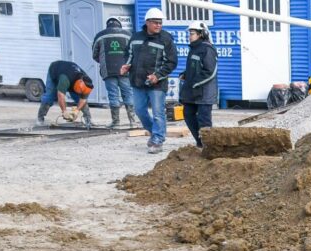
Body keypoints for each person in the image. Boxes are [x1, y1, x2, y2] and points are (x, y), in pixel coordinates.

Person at [123, 8, 177, 154]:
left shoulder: (166, 39)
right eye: (155, 23)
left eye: (160, 23)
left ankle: (158, 139)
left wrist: (157, 76)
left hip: (157, 84)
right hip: (137, 81)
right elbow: (128, 54)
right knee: (139, 110)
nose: (159, 25)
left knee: (158, 113)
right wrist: (126, 65)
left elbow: (171, 62)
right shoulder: (135, 38)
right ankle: (154, 133)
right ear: (147, 22)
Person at [179, 21, 218, 148]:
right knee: (188, 114)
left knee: (204, 120)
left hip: (204, 93)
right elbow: (196, 67)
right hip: (193, 92)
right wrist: (186, 74)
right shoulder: (194, 49)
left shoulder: (207, 49)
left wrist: (195, 82)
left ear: (201, 34)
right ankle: (200, 142)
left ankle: (209, 146)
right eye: (189, 33)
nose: (189, 36)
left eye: (192, 33)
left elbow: (210, 71)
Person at [92, 17, 134, 128]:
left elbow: (94, 55)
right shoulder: (128, 34)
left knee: (113, 95)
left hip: (108, 71)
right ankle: (133, 122)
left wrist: (103, 62)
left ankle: (116, 122)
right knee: (128, 94)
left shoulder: (100, 35)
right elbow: (133, 53)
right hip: (125, 70)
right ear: (119, 25)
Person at [35, 60, 94, 128]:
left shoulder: (88, 83)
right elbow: (60, 95)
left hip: (71, 77)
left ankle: (88, 120)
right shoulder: (65, 79)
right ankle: (40, 119)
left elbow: (83, 100)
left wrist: (77, 111)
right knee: (49, 96)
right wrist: (64, 111)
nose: (81, 93)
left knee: (79, 99)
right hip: (55, 69)